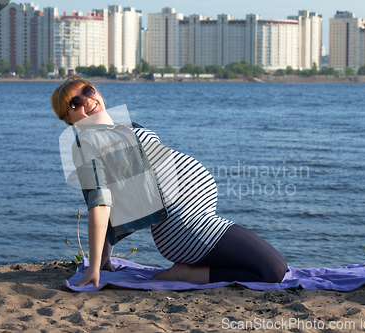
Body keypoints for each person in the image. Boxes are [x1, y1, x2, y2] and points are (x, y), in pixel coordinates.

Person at [51, 76, 288, 287]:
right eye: (75, 104)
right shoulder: (89, 144)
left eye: (88, 91)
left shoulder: (122, 129)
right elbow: (100, 203)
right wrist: (94, 267)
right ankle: (185, 274)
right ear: (70, 120)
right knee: (273, 271)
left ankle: (188, 270)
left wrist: (103, 257)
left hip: (198, 218)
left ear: (97, 93)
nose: (86, 101)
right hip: (183, 226)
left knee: (279, 265)